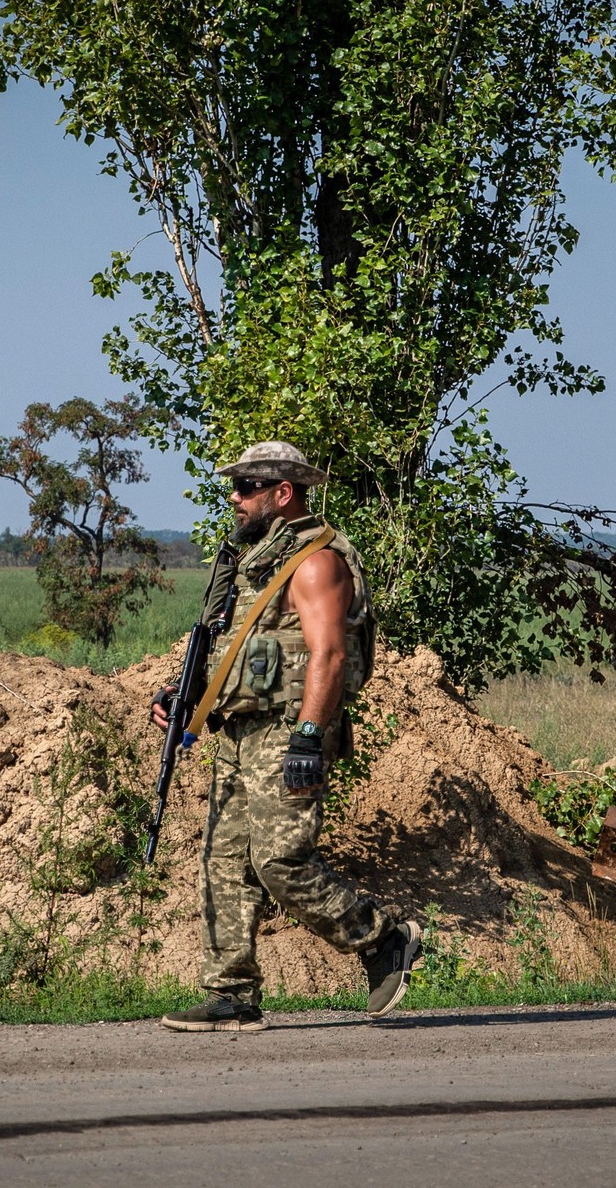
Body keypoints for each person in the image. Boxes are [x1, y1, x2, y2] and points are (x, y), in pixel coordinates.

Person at [150, 441, 420, 1033]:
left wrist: (307, 736)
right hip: (239, 726)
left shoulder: (317, 562)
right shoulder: (255, 564)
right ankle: (230, 993)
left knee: (277, 860)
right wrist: (184, 695)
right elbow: (235, 649)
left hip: (285, 730)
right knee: (224, 861)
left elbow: (327, 652)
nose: (234, 498)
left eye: (246, 488)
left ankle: (381, 937)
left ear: (283, 493)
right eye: (235, 487)